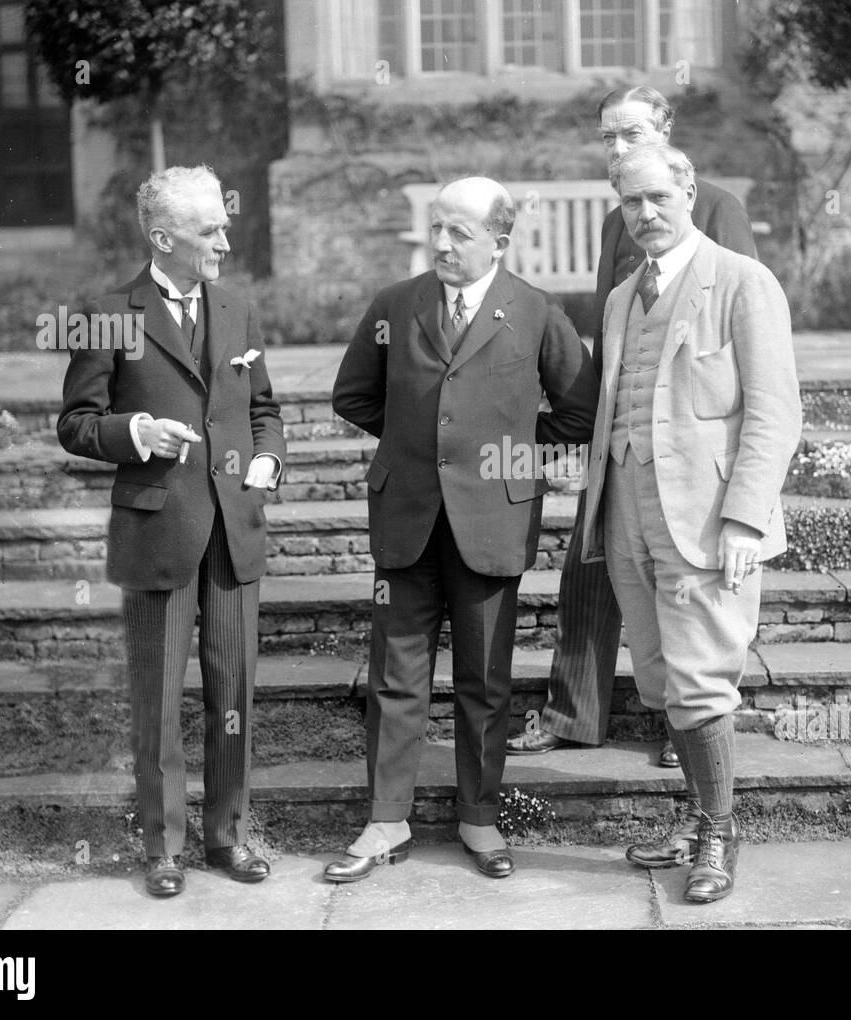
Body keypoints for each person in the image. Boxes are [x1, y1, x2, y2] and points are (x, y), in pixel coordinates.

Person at [328, 176, 598, 882]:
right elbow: (352, 394)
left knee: (485, 680)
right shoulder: (396, 305)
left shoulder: (535, 311)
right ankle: (387, 820)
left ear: (499, 243)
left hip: (492, 521)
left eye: (460, 233)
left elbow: (578, 411)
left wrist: (507, 443)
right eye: (437, 229)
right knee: (396, 676)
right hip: (407, 517)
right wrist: (423, 442)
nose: (442, 244)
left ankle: (479, 818)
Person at [508, 84, 758, 768]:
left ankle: (689, 730)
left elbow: (738, 336)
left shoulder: (716, 208)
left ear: (668, 131)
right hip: (617, 438)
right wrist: (565, 428)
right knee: (587, 569)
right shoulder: (617, 221)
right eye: (608, 139)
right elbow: (606, 332)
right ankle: (572, 713)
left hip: (687, 447)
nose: (617, 148)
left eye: (631, 133)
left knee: (684, 594)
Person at [579, 144, 800, 903]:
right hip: (628, 517)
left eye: (657, 199)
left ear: (690, 191)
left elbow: (775, 413)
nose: (644, 215)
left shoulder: (742, 282)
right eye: (629, 203)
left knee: (703, 681)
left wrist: (743, 519)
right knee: (663, 680)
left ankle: (720, 834)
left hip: (708, 520)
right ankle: (702, 814)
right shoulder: (619, 299)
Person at [57, 165, 286, 898]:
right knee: (157, 703)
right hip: (158, 532)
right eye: (209, 228)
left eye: (222, 221)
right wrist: (135, 431)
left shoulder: (238, 308)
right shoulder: (108, 312)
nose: (226, 235)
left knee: (233, 693)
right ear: (163, 238)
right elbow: (75, 424)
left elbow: (264, 410)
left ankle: (229, 835)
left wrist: (269, 460)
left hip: (233, 532)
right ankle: (162, 848)